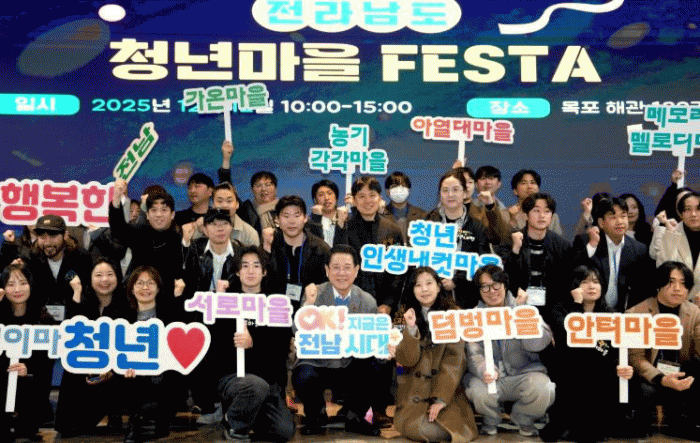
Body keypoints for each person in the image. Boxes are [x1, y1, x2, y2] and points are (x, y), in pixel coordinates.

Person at [292, 245, 382, 436]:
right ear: (327, 270)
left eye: (347, 267)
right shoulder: (314, 294)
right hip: (318, 363)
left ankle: (354, 416)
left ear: (356, 270)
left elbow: (373, 343)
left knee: (376, 364)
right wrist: (308, 304)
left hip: (350, 364)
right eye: (336, 267)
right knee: (303, 373)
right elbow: (297, 331)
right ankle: (316, 414)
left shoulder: (367, 301)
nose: (341, 273)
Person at [541, 265, 638, 442]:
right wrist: (577, 305)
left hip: (599, 372)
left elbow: (614, 350)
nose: (592, 286)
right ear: (574, 286)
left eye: (596, 282)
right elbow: (569, 335)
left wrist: (621, 365)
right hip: (569, 370)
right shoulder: (560, 309)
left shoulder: (610, 314)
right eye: (584, 282)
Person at [212, 246, 295, 442]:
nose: (250, 271)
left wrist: (253, 343)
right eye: (245, 266)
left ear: (264, 271)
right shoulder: (226, 301)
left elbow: (281, 348)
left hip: (268, 380)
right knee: (254, 386)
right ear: (237, 272)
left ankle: (247, 417)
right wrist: (218, 299)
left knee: (284, 431)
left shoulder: (275, 304)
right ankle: (234, 425)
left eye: (256, 266)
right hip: (234, 379)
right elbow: (215, 346)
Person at [462, 264, 555, 437]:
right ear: (479, 290)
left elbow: (540, 342)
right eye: (485, 287)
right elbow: (474, 353)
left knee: (545, 388)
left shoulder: (523, 308)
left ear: (505, 285)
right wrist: (484, 370)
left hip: (524, 373)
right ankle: (491, 419)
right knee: (477, 390)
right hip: (491, 377)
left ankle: (523, 419)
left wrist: (521, 313)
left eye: (496, 284)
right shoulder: (473, 316)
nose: (492, 291)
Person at [391, 267, 477, 443]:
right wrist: (411, 329)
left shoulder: (454, 313)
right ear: (412, 290)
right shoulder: (401, 315)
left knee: (444, 429)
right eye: (418, 285)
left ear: (439, 286)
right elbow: (407, 361)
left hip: (446, 389)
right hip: (413, 389)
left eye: (429, 283)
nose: (424, 289)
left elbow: (455, 361)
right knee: (418, 428)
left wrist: (441, 399)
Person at [55, 257, 129, 438]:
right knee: (69, 426)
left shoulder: (127, 304)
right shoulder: (84, 300)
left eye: (110, 274)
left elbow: (127, 346)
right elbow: (70, 335)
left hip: (116, 369)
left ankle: (115, 413)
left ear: (118, 277)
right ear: (90, 278)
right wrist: (77, 292)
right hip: (87, 368)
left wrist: (110, 368)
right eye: (98, 275)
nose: (104, 280)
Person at [627, 261, 700, 440]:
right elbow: (636, 358)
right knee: (641, 386)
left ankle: (684, 424)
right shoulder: (637, 313)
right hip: (652, 377)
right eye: (671, 282)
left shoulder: (694, 312)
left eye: (683, 284)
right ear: (659, 284)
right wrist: (662, 378)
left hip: (682, 374)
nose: (677, 289)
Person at [122, 266, 185, 443]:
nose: (145, 288)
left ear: (158, 288)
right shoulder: (123, 316)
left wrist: (178, 296)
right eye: (140, 283)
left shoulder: (169, 313)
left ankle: (155, 418)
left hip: (163, 378)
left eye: (150, 283)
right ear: (131, 288)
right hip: (132, 377)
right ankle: (136, 421)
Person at [110, 179, 185, 316]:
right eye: (154, 210)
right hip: (136, 302)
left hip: (167, 305)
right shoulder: (140, 232)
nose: (159, 214)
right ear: (148, 215)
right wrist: (116, 198)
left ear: (173, 214)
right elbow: (118, 230)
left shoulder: (179, 238)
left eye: (164, 210)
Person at [0, 213, 92, 322]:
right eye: (42, 236)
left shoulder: (81, 258)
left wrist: (77, 294)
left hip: (75, 320)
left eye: (53, 235)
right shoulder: (30, 259)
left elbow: (90, 297)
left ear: (65, 235)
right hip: (39, 323)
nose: (47, 242)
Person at [0, 263, 55, 442]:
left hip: (30, 383)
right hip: (2, 380)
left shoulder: (43, 318)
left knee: (33, 378)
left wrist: (28, 369)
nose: (17, 289)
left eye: (23, 283)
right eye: (10, 284)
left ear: (31, 284)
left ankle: (28, 422)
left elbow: (47, 361)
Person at [572, 197, 654, 312]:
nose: (620, 222)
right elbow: (576, 273)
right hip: (590, 311)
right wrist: (592, 246)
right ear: (601, 222)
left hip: (624, 314)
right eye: (613, 217)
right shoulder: (587, 241)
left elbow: (643, 287)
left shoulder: (639, 249)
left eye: (623, 216)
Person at [426, 170, 489, 308]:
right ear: (440, 194)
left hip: (467, 296)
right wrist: (437, 280)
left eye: (455, 189)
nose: (450, 194)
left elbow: (482, 260)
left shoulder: (476, 226)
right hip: (433, 296)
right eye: (445, 190)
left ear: (465, 193)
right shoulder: (428, 222)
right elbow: (420, 258)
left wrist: (456, 280)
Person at [341, 176, 404, 314]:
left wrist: (388, 304)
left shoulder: (393, 230)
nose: (367, 201)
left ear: (380, 198)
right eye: (361, 196)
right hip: (350, 305)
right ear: (354, 200)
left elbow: (398, 272)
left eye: (372, 195)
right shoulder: (344, 229)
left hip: (385, 307)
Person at [505, 193, 571, 323]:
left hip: (552, 306)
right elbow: (505, 276)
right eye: (536, 211)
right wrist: (515, 250)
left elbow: (567, 281)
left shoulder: (562, 245)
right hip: (518, 303)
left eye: (547, 211)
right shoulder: (511, 240)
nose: (542, 216)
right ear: (526, 215)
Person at [266, 196, 330, 311]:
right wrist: (266, 252)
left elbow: (327, 287)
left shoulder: (320, 249)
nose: (291, 221)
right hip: (276, 312)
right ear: (277, 220)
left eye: (297, 215)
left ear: (305, 218)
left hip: (311, 312)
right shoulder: (270, 246)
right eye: (286, 216)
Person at [650, 190, 700, 304]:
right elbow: (663, 272)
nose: (693, 214)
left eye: (698, 209)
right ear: (680, 213)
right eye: (688, 209)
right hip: (672, 304)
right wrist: (670, 235)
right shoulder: (670, 233)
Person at [508, 169, 563, 235]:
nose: (529, 187)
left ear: (538, 189)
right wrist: (512, 221)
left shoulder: (552, 216)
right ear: (515, 191)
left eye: (533, 183)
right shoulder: (505, 215)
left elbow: (557, 239)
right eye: (523, 183)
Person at [383, 171, 427, 239]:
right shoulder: (381, 215)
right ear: (387, 191)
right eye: (394, 186)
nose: (399, 190)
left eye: (403, 186)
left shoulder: (421, 215)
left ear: (408, 190)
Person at [307, 179, 348, 247]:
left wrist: (341, 224)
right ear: (315, 200)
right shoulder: (310, 223)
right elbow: (315, 247)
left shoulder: (346, 219)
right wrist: (316, 219)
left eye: (329, 193)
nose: (326, 198)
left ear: (336, 197)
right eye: (321, 195)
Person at [236, 171, 279, 236]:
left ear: (275, 188)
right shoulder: (245, 210)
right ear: (252, 189)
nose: (263, 189)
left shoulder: (283, 208)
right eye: (258, 185)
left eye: (268, 185)